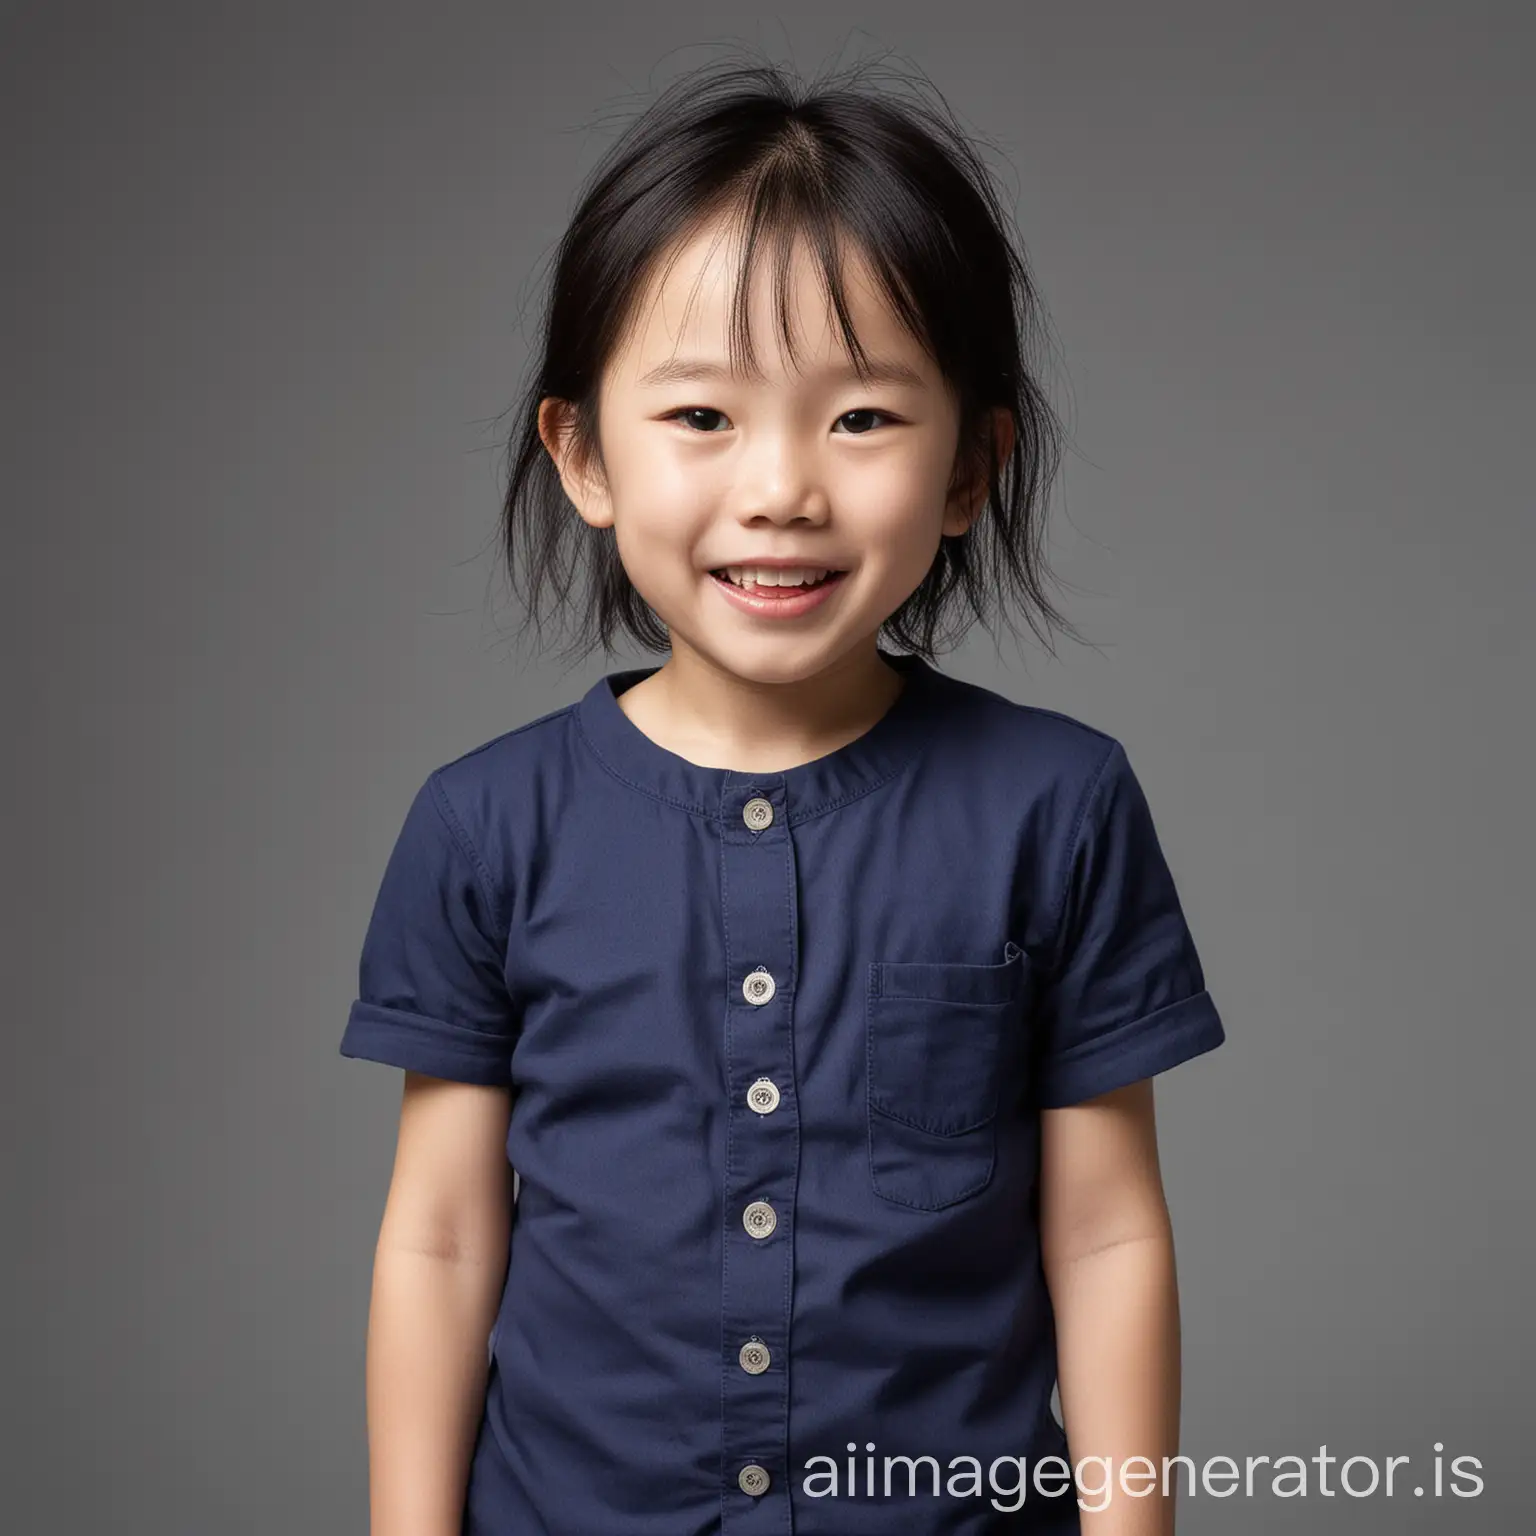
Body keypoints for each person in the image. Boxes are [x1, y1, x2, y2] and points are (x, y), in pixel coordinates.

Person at [339, 53, 1226, 1536]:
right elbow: (437, 1239)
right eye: (701, 418)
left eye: (861, 418)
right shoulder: (485, 825)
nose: (782, 489)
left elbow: (1107, 1227)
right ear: (583, 454)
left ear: (970, 468)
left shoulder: (1057, 803)